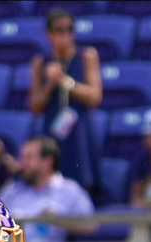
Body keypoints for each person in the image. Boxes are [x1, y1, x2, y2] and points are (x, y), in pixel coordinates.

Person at [28, 7, 103, 199]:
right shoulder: (40, 62)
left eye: (70, 29)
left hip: (80, 129)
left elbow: (94, 96)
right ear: (48, 34)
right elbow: (34, 106)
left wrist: (64, 81)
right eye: (60, 30)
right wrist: (50, 84)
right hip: (53, 129)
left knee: (83, 182)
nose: (66, 35)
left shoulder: (86, 55)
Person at [0, 135, 96, 242]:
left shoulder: (70, 190)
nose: (22, 163)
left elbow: (90, 225)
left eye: (28, 158)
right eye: (22, 157)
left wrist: (59, 221)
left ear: (47, 162)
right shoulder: (12, 190)